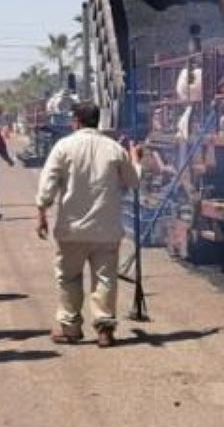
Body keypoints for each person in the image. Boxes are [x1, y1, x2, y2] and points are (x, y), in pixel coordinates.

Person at [34, 103, 153, 347]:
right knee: (105, 279)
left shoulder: (63, 147)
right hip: (106, 229)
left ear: (75, 121)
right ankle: (105, 329)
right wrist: (136, 160)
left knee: (69, 278)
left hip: (72, 229)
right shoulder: (114, 149)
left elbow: (48, 185)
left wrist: (42, 212)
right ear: (96, 121)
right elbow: (133, 181)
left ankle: (70, 328)